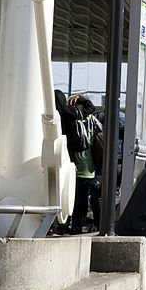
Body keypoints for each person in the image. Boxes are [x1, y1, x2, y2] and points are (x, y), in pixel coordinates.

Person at [56, 91, 103, 234]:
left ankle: (67, 225)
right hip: (87, 164)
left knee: (69, 195)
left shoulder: (67, 116)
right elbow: (92, 108)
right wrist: (82, 99)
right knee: (83, 197)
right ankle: (78, 226)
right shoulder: (88, 117)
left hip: (73, 161)